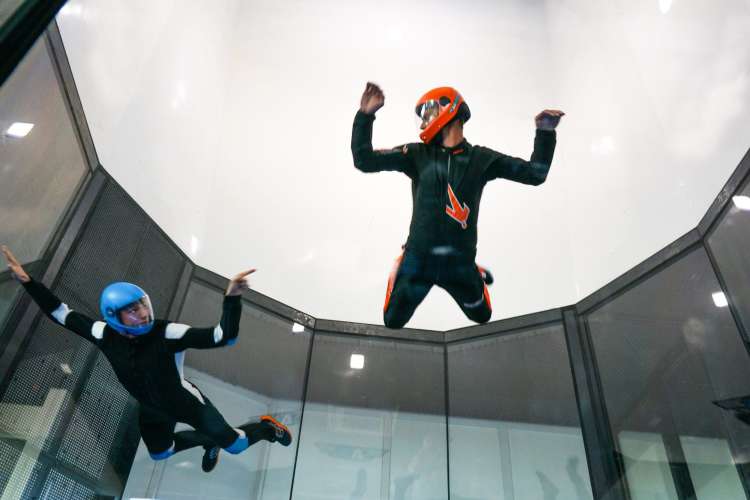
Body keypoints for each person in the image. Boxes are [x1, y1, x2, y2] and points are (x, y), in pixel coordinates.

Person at [1, 245, 292, 473]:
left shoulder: (168, 332)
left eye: (142, 305)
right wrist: (28, 282)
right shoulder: (104, 333)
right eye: (132, 310)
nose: (142, 313)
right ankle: (210, 440)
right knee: (160, 453)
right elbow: (60, 313)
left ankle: (266, 428)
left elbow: (222, 336)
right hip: (152, 409)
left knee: (238, 446)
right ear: (115, 317)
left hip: (186, 402)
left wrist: (232, 298)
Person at [351, 83, 564, 328]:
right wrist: (365, 115)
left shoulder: (481, 158)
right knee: (393, 320)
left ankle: (474, 272)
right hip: (419, 259)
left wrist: (545, 133)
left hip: (460, 263)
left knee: (482, 316)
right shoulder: (415, 154)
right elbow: (364, 161)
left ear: (447, 108)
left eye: (427, 115)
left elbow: (534, 174)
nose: (422, 124)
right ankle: (401, 263)